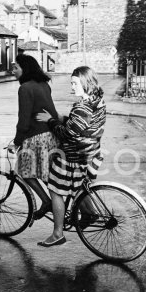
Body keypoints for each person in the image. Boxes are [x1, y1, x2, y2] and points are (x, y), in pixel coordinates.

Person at [36, 66, 106, 247]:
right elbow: (81, 125)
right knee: (79, 188)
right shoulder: (97, 100)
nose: (72, 87)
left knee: (55, 190)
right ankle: (89, 213)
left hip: (74, 156)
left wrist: (50, 121)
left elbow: (67, 134)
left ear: (85, 83)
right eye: (71, 83)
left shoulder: (83, 106)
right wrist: (63, 117)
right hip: (91, 152)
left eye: (75, 83)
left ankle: (57, 234)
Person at [9, 54, 59, 219]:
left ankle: (47, 202)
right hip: (50, 135)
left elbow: (23, 120)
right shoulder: (43, 84)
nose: (13, 71)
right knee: (48, 174)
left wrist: (16, 142)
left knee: (24, 172)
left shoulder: (25, 88)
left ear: (25, 68)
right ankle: (56, 205)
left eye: (16, 67)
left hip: (36, 137)